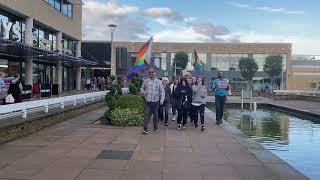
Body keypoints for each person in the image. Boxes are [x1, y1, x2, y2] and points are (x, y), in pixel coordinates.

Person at [141, 68, 164, 134]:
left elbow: (162, 91)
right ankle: (145, 129)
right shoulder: (146, 81)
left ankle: (155, 126)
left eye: (152, 72)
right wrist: (143, 92)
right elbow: (141, 88)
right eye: (150, 72)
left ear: (155, 73)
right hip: (147, 102)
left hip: (155, 102)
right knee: (146, 115)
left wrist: (161, 100)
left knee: (156, 116)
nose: (151, 73)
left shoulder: (159, 82)